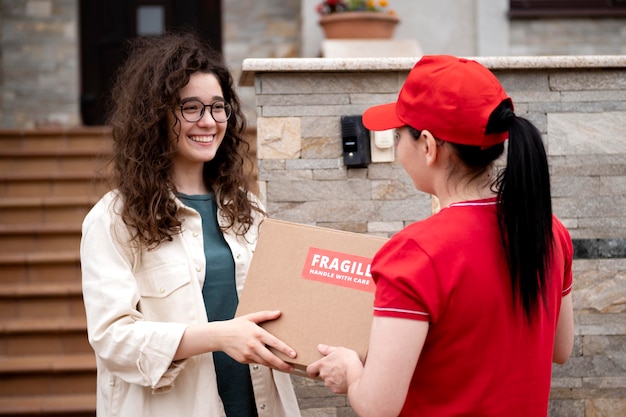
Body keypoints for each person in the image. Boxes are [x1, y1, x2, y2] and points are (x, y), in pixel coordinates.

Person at [306, 55, 575, 417]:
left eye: (398, 135)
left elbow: (377, 406)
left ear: (429, 146)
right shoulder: (550, 230)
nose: (399, 147)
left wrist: (350, 370)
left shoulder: (416, 252)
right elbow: (561, 349)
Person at [80, 31, 301, 417]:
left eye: (218, 107)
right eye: (191, 108)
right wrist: (218, 336)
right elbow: (112, 339)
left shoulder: (248, 210)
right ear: (155, 116)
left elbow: (281, 311)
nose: (209, 122)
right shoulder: (114, 219)